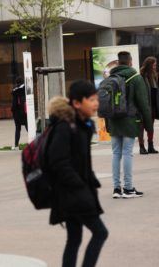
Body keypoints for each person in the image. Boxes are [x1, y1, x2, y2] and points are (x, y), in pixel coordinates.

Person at [47, 81, 108, 267]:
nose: (96, 103)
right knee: (100, 233)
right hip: (73, 194)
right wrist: (80, 186)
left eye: (96, 99)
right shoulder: (65, 127)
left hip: (76, 191)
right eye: (91, 99)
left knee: (74, 239)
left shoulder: (82, 125)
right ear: (76, 103)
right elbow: (58, 162)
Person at [107, 51, 152, 198]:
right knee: (127, 153)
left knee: (115, 154)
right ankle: (128, 188)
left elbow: (106, 103)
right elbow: (143, 104)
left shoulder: (111, 78)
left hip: (113, 121)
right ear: (130, 62)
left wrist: (108, 124)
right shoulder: (135, 78)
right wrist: (148, 125)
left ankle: (116, 189)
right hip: (130, 120)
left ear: (118, 62)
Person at [138, 56, 159, 155]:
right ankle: (141, 147)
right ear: (149, 65)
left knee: (150, 127)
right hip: (144, 106)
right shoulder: (141, 76)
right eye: (154, 65)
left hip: (153, 106)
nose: (155, 67)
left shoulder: (155, 76)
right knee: (141, 127)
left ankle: (151, 146)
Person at [11, 77, 28, 150]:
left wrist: (12, 109)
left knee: (18, 128)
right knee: (28, 128)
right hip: (25, 111)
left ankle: (16, 145)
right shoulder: (26, 89)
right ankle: (35, 142)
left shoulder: (15, 91)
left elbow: (14, 104)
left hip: (17, 113)